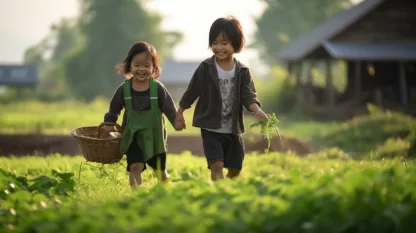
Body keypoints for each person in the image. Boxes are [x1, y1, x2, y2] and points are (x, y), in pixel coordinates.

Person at [174, 16, 268, 181]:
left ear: (236, 44)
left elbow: (248, 96)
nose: (219, 48)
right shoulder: (205, 68)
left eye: (224, 43)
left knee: (235, 169)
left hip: (233, 129)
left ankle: (228, 190)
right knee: (216, 164)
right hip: (211, 128)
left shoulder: (242, 71)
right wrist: (180, 112)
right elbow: (192, 91)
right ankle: (218, 193)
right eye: (215, 43)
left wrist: (257, 110)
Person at [101, 41, 184, 190]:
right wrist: (108, 123)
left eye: (146, 66)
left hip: (154, 137)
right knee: (135, 166)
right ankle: (137, 195)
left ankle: (166, 190)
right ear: (130, 66)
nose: (141, 69)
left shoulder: (157, 88)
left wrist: (176, 121)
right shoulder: (124, 89)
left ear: (153, 67)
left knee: (159, 171)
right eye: (137, 65)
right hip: (133, 137)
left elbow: (170, 109)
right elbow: (114, 109)